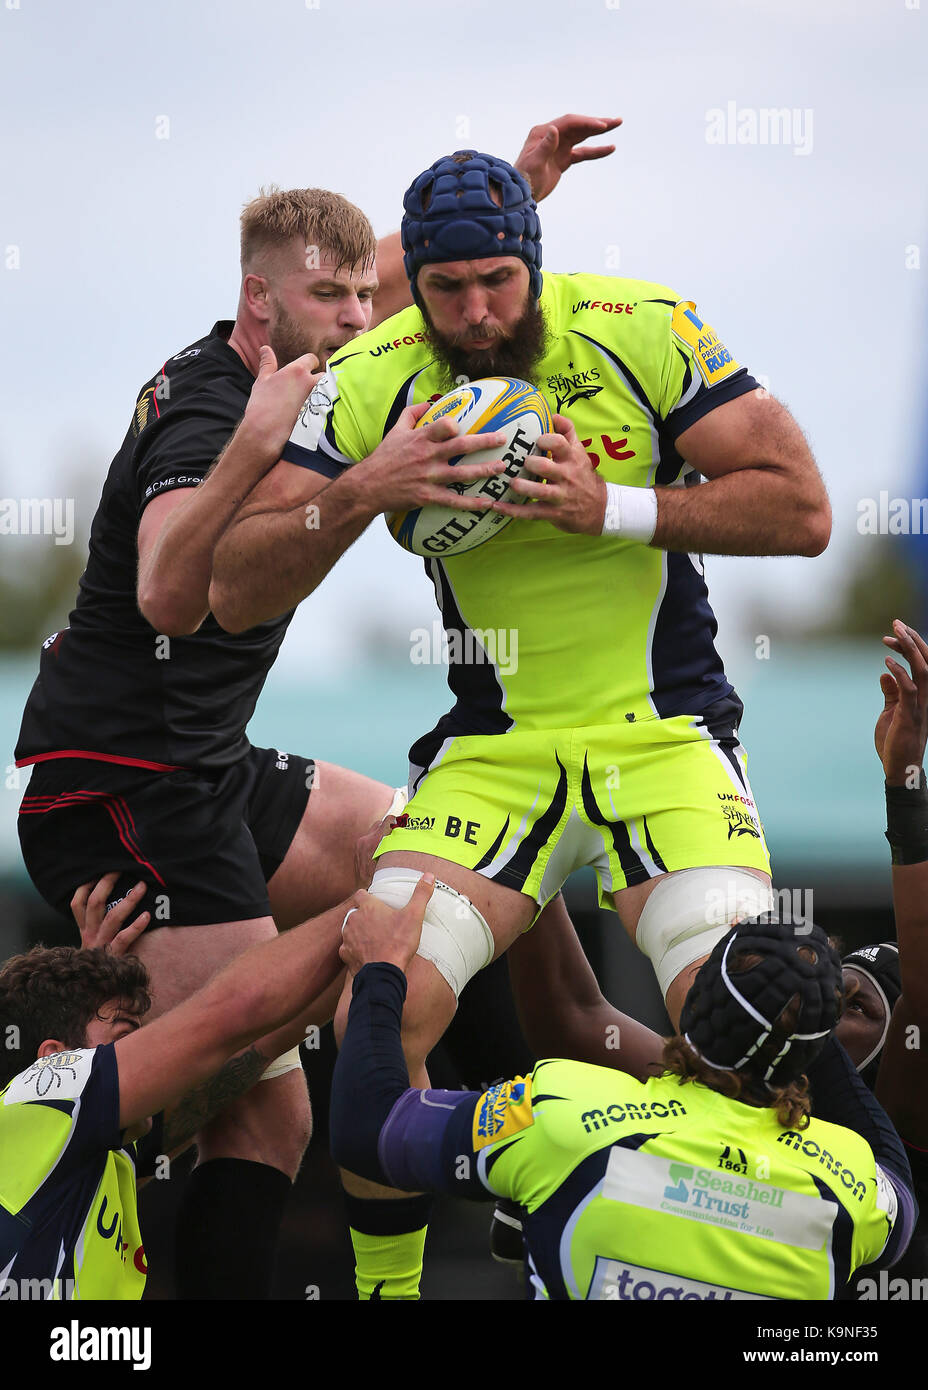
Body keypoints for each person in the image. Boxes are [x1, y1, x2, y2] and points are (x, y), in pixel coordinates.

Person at [13, 117, 618, 1299]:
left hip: (209, 764)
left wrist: (514, 189)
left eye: (361, 297)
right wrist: (359, 495)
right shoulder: (208, 413)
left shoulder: (295, 332)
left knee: (434, 844)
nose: (360, 319)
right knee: (260, 1119)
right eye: (334, 301)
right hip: (126, 790)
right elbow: (171, 590)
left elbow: (361, 270)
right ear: (258, 303)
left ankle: (514, 1169)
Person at [208, 145, 831, 1293]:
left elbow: (803, 510)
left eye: (498, 281)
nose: (477, 312)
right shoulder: (378, 370)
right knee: (375, 1010)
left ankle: (731, 1280)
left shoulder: (646, 326)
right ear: (419, 286)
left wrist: (617, 506)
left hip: (663, 742)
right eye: (447, 289)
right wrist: (365, 488)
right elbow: (232, 587)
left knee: (749, 1024)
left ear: (535, 264)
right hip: (494, 757)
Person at [329, 884, 914, 1300]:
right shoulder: (853, 1183)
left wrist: (383, 970)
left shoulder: (563, 1110)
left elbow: (370, 1125)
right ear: (814, 1047)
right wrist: (792, 1006)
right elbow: (895, 1179)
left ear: (696, 995)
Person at [0, 869, 420, 1300]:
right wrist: (377, 895)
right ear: (52, 1058)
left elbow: (256, 1041)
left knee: (278, 1124)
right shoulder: (35, 1099)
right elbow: (233, 1015)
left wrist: (377, 943)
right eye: (126, 1040)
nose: (144, 1051)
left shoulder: (101, 1159)